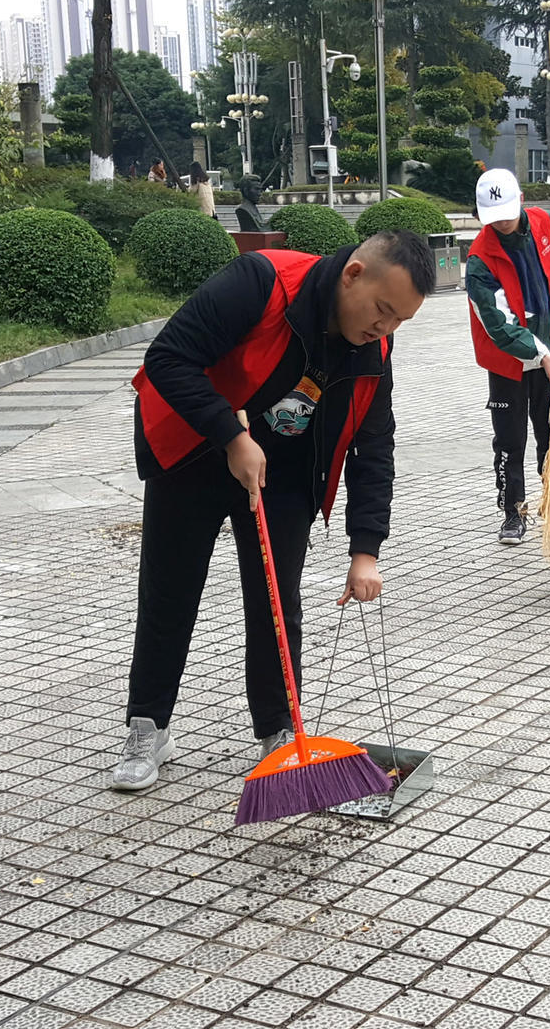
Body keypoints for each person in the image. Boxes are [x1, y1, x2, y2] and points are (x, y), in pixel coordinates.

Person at [109, 230, 438, 792]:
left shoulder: (372, 348)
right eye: (383, 311)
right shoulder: (261, 282)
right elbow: (168, 359)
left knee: (275, 599)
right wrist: (230, 436)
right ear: (353, 274)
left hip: (284, 473)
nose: (386, 329)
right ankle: (149, 725)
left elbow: (373, 446)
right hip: (194, 448)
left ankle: (277, 732)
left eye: (400, 321)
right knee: (170, 590)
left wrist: (366, 551)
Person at [464, 167, 550, 545]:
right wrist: (539, 352)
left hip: (549, 347)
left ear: (522, 203)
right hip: (508, 362)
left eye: (508, 216)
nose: (503, 224)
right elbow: (498, 324)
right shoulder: (480, 260)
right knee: (510, 441)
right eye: (493, 219)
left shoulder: (545, 222)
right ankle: (513, 511)